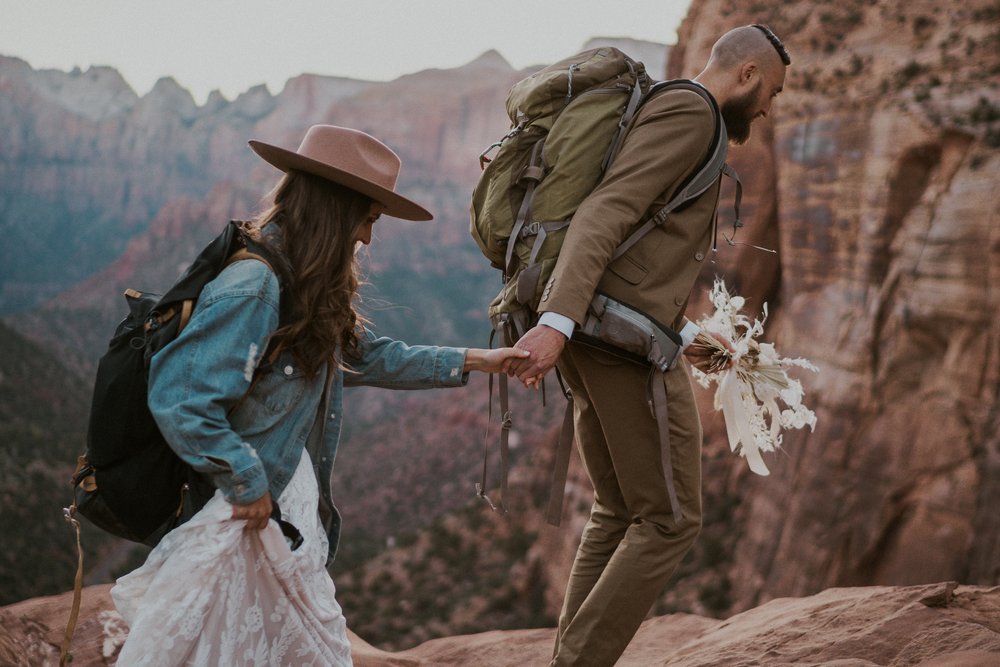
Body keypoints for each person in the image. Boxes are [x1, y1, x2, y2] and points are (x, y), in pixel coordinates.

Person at [110, 124, 528, 666]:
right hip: (249, 505)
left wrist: (480, 360)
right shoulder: (255, 286)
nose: (367, 238)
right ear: (335, 209)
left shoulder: (296, 280)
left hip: (284, 497)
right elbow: (182, 398)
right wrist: (245, 480)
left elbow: (363, 355)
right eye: (367, 219)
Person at [507, 25, 791, 666]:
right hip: (614, 343)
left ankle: (569, 659)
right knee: (671, 519)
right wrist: (556, 322)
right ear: (746, 75)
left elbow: (639, 246)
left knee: (617, 509)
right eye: (770, 91)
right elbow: (606, 210)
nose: (769, 108)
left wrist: (686, 333)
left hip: (604, 328)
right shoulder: (694, 113)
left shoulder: (682, 112)